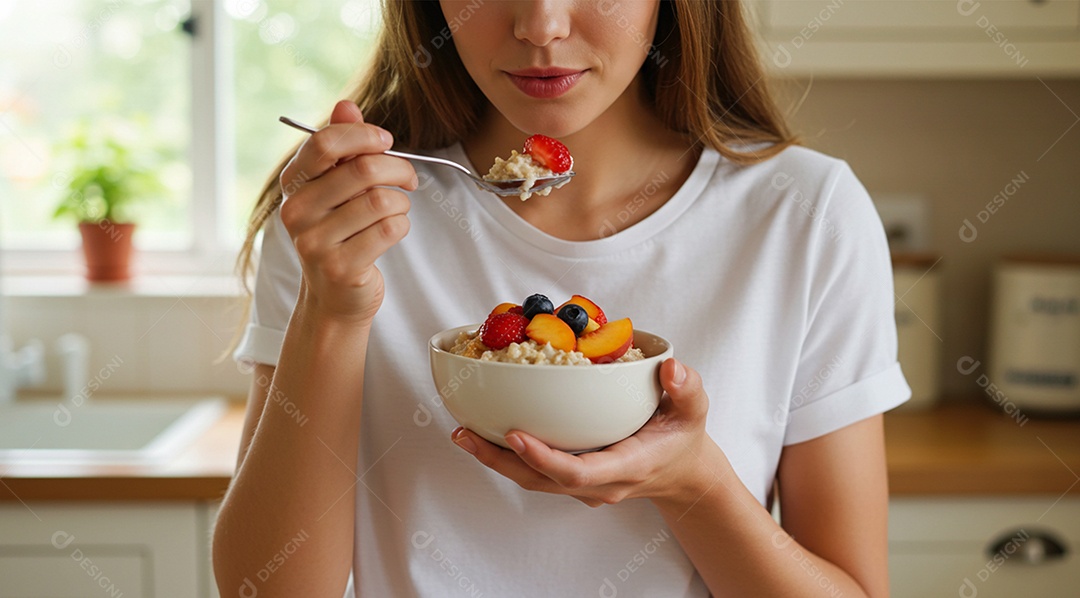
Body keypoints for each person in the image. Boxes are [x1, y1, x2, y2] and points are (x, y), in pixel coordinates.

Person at [212, 1, 910, 596]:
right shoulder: (345, 213)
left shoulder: (805, 215)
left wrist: (692, 481)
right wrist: (331, 314)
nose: (540, 26)